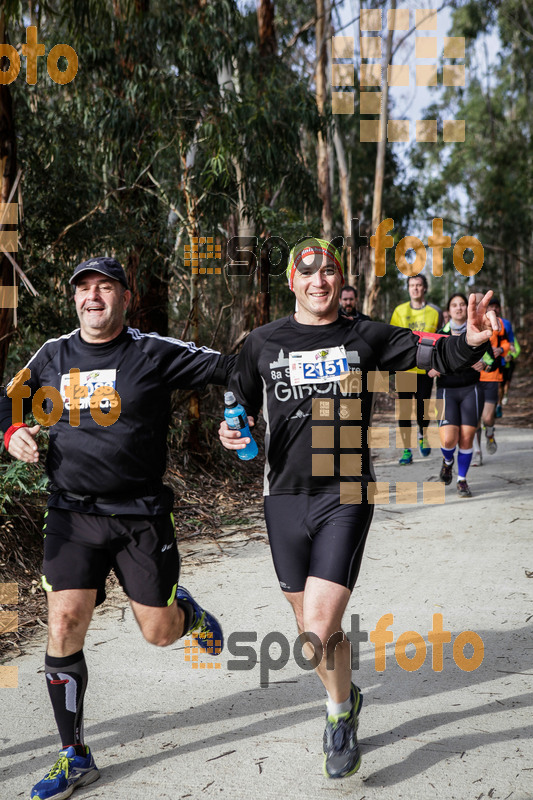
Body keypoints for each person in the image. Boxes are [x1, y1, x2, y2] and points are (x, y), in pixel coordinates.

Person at [218, 238, 496, 780]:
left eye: (329, 271)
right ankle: (347, 696)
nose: (319, 280)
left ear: (340, 283)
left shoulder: (365, 336)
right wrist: (232, 432)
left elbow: (434, 354)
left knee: (319, 630)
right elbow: (239, 408)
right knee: (311, 637)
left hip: (346, 493)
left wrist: (471, 341)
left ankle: (338, 715)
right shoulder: (262, 343)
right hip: (283, 498)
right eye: (308, 271)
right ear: (293, 282)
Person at [0, 257, 234, 800]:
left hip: (141, 516)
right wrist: (11, 431)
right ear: (74, 299)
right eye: (84, 289)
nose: (93, 297)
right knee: (63, 621)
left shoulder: (153, 351)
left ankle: (186, 612)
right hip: (72, 513)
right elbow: (5, 404)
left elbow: (231, 367)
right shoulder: (51, 355)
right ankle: (74, 754)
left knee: (158, 632)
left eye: (105, 288)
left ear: (125, 298)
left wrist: (239, 409)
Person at [432, 294, 484, 498]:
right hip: (447, 391)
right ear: (449, 310)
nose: (459, 308)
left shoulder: (477, 333)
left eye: (462, 304)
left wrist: (486, 362)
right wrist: (433, 369)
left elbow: (489, 357)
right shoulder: (440, 335)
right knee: (448, 440)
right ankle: (447, 462)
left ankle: (462, 480)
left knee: (467, 437)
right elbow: (429, 362)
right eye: (454, 305)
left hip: (471, 389)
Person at [390, 274, 443, 465]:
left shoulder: (435, 312)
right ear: (408, 288)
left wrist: (437, 366)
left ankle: (422, 434)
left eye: (419, 285)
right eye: (412, 285)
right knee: (404, 412)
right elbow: (393, 341)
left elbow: (441, 341)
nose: (415, 288)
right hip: (404, 370)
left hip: (425, 370)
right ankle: (406, 449)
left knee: (423, 409)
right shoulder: (399, 311)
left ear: (424, 288)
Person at [472, 293, 510, 464]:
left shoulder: (498, 323)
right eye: (477, 302)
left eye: (483, 302)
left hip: (492, 375)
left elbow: (506, 342)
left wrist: (501, 351)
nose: (481, 305)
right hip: (472, 377)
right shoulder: (468, 323)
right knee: (474, 418)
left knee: (487, 418)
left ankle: (490, 433)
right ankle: (477, 452)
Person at [487, 297, 520, 416]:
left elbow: (511, 343)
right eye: (491, 306)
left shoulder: (505, 324)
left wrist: (506, 353)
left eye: (496, 307)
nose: (494, 309)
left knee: (501, 385)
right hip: (485, 362)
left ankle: (498, 405)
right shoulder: (482, 322)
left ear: (500, 309)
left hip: (502, 360)